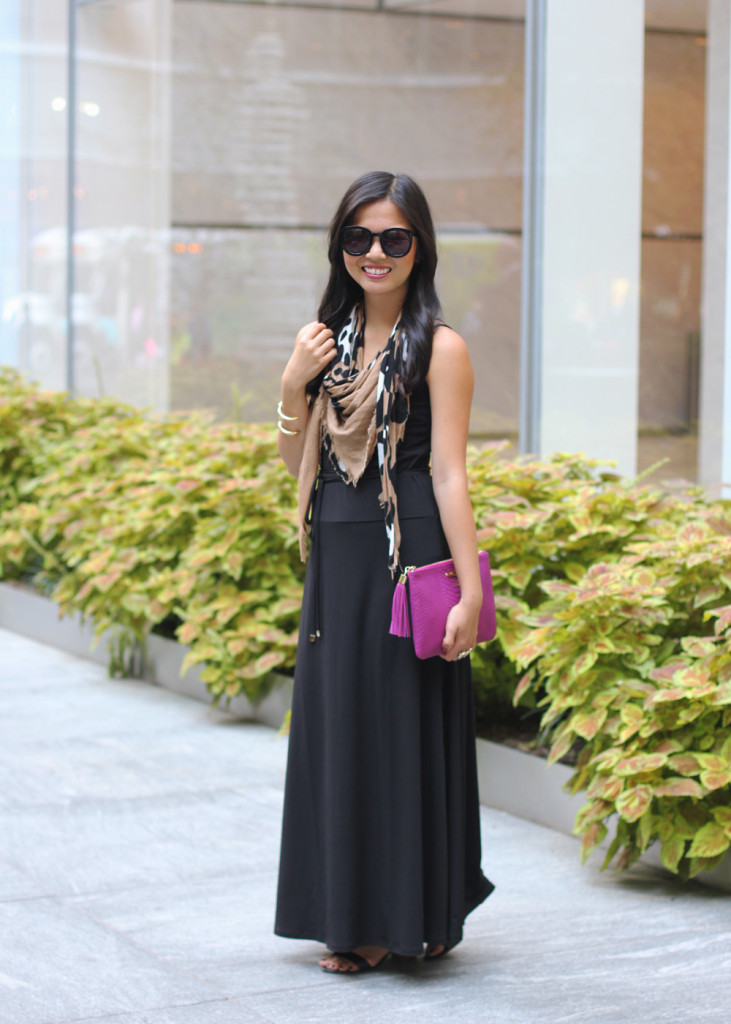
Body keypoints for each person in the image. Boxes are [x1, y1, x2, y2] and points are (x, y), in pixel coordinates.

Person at [274, 171, 494, 974]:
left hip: (411, 553)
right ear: (340, 246)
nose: (375, 252)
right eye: (359, 237)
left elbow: (449, 473)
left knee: (402, 726)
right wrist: (291, 382)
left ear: (418, 248)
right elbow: (293, 455)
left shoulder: (440, 346)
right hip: (337, 546)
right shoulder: (323, 342)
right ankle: (352, 916)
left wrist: (470, 589)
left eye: (393, 238)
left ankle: (411, 914)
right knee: (340, 729)